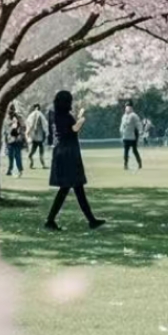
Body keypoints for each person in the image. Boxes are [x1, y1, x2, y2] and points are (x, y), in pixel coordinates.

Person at [45, 90, 105, 231]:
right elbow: (73, 129)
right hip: (69, 154)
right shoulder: (65, 116)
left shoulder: (54, 115)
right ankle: (51, 220)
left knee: (74, 188)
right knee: (70, 187)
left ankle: (91, 220)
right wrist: (81, 120)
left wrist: (77, 117)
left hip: (61, 152)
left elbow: (64, 130)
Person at [120, 102, 143, 171]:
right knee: (126, 151)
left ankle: (139, 163)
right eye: (126, 107)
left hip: (132, 136)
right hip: (125, 136)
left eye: (129, 107)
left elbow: (138, 124)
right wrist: (121, 131)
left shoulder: (134, 115)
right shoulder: (124, 116)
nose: (127, 109)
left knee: (134, 150)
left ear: (131, 108)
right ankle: (125, 164)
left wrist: (140, 131)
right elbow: (122, 125)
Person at [26, 103, 49, 169]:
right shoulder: (38, 114)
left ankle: (32, 164)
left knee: (33, 153)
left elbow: (31, 123)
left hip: (36, 137)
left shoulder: (34, 114)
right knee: (40, 153)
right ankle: (42, 165)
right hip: (39, 137)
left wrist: (29, 132)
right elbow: (36, 122)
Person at [4, 105, 25, 177]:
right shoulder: (7, 118)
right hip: (10, 139)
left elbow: (23, 127)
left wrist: (20, 135)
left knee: (17, 156)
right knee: (10, 156)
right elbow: (6, 130)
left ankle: (20, 170)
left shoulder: (19, 118)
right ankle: (10, 170)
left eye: (11, 111)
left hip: (17, 139)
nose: (10, 113)